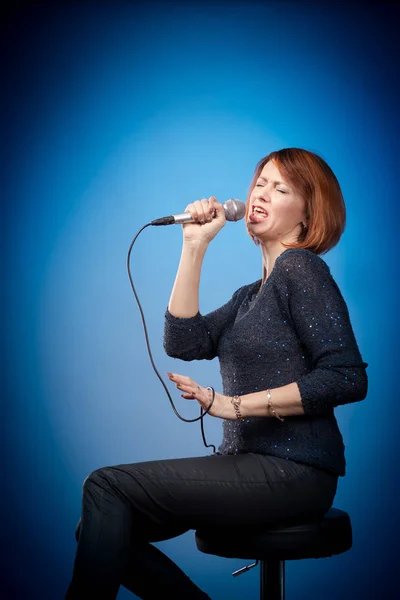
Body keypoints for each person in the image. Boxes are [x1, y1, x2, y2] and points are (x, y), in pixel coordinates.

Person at [65, 147, 368, 600]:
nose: (262, 194)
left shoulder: (302, 270)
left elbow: (347, 377)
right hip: (247, 464)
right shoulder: (252, 295)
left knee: (107, 486)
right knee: (100, 520)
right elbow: (184, 342)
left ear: (308, 215)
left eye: (280, 188)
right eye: (260, 183)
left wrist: (233, 405)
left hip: (296, 470)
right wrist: (194, 246)